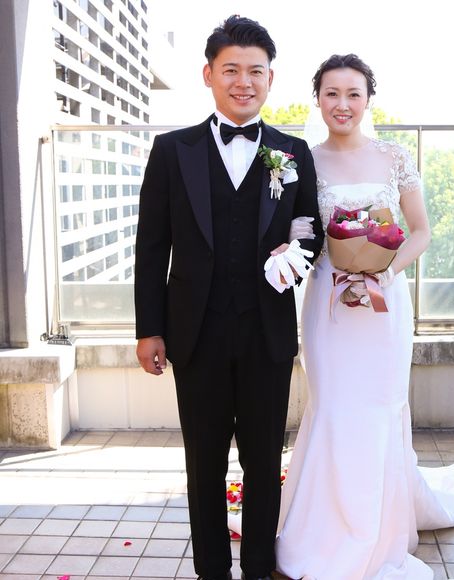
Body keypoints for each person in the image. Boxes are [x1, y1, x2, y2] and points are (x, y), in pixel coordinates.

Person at [275, 54, 454, 580]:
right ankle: (324, 528)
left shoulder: (393, 156)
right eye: (332, 93)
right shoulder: (302, 160)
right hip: (329, 304)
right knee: (333, 407)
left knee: (378, 410)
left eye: (353, 93)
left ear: (368, 99)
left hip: (383, 305)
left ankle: (377, 528)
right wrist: (296, 252)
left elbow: (420, 231)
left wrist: (382, 272)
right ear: (317, 99)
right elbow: (302, 232)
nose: (342, 104)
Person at [134, 16, 324, 580]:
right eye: (231, 70)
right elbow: (152, 247)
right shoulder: (172, 151)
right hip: (195, 333)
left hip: (267, 332)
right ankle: (211, 570)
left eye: (255, 71)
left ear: (270, 79)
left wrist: (292, 258)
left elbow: (309, 228)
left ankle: (259, 567)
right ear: (209, 75)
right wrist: (149, 329)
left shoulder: (293, 151)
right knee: (204, 461)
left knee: (264, 460)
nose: (244, 82)